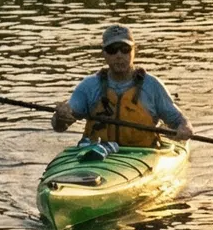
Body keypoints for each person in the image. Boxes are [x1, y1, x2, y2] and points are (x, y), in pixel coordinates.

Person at [50, 25, 193, 148]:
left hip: (142, 155)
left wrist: (185, 128)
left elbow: (179, 121)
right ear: (104, 53)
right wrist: (60, 117)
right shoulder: (88, 86)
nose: (119, 55)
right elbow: (60, 126)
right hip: (97, 153)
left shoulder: (153, 86)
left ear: (134, 51)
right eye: (113, 50)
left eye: (125, 49)